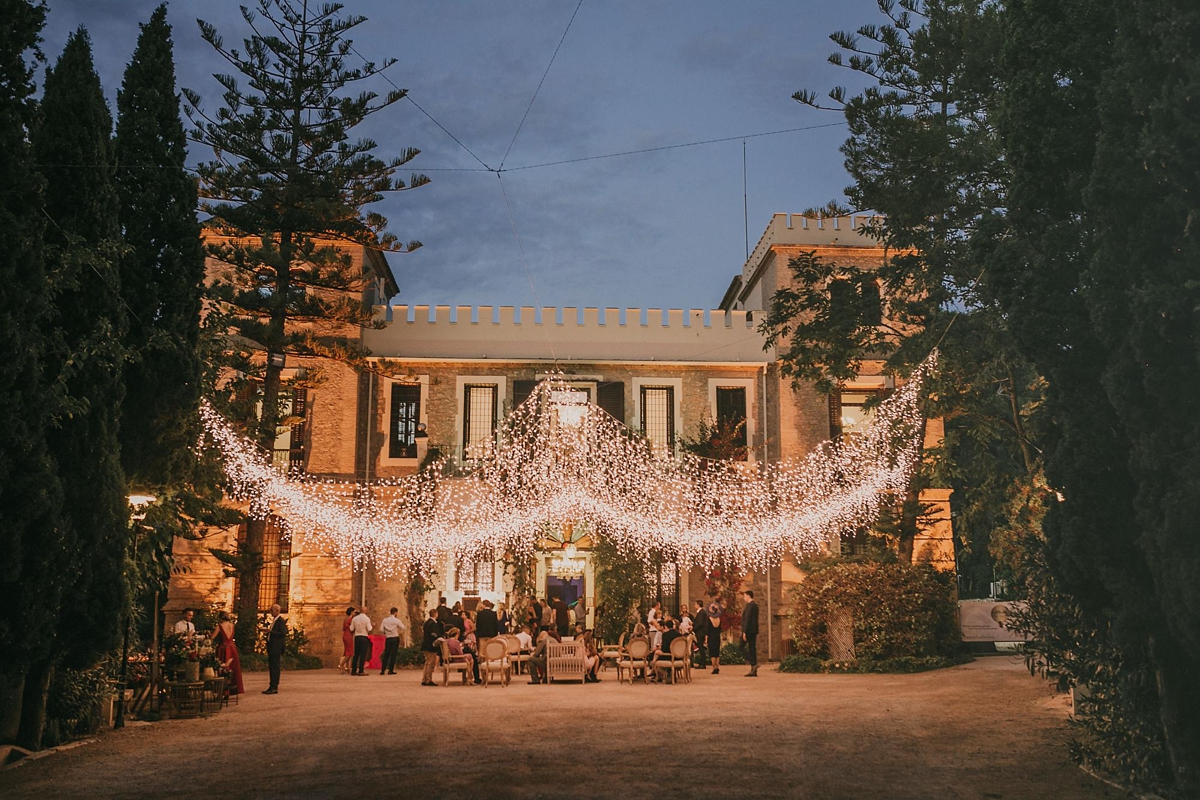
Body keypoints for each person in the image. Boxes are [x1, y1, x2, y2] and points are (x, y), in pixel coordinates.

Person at [210, 611, 244, 695]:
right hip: (232, 648)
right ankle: (233, 689)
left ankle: (223, 690)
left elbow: (212, 637)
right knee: (233, 668)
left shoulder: (220, 626)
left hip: (223, 648)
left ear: (221, 618)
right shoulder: (232, 625)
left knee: (223, 668)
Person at [264, 604, 286, 694]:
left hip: (276, 648)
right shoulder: (275, 620)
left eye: (272, 610)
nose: (271, 612)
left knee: (275, 667)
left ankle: (274, 686)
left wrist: (271, 632)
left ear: (277, 611)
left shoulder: (280, 621)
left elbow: (282, 633)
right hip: (272, 647)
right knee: (272, 666)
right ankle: (271, 685)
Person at [379, 607, 405, 675]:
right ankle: (391, 670)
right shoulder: (396, 621)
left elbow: (381, 629)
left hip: (388, 638)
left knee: (386, 654)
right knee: (393, 654)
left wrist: (385, 632)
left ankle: (383, 670)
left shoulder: (385, 620)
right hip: (395, 637)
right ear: (395, 613)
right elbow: (403, 627)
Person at [420, 608, 443, 686]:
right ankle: (428, 680)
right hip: (431, 645)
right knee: (430, 664)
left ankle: (424, 679)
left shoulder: (426, 623)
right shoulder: (433, 623)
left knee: (427, 663)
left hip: (425, 644)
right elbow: (433, 633)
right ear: (436, 614)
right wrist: (440, 637)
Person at [350, 606, 373, 676]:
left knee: (356, 654)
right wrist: (373, 626)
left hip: (357, 637)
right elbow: (369, 629)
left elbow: (351, 629)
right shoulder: (367, 619)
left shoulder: (355, 618)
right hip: (364, 636)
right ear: (365, 611)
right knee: (363, 654)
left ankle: (354, 670)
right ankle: (361, 670)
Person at [741, 590, 760, 677]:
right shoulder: (755, 605)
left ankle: (753, 662)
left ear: (748, 596)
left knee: (740, 647)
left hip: (748, 630)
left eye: (744, 596)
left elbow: (747, 619)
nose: (743, 598)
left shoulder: (750, 606)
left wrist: (744, 631)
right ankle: (753, 670)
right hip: (754, 630)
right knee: (752, 648)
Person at [706, 598, 724, 674]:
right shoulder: (719, 619)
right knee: (717, 653)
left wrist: (706, 639)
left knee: (712, 653)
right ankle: (717, 667)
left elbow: (707, 630)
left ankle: (713, 668)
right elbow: (720, 630)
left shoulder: (709, 619)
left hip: (711, 637)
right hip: (717, 637)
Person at [692, 599, 710, 665]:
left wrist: (693, 628)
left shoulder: (702, 612)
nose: (694, 606)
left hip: (700, 632)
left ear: (698, 605)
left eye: (695, 604)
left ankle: (703, 663)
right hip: (700, 632)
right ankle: (702, 662)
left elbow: (700, 623)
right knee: (700, 647)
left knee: (701, 647)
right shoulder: (700, 612)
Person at [338, 606, 355, 674]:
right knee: (350, 652)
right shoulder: (350, 619)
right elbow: (352, 628)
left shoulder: (345, 619)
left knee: (347, 651)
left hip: (345, 635)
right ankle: (342, 665)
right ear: (351, 612)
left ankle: (347, 667)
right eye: (354, 612)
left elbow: (343, 628)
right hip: (349, 636)